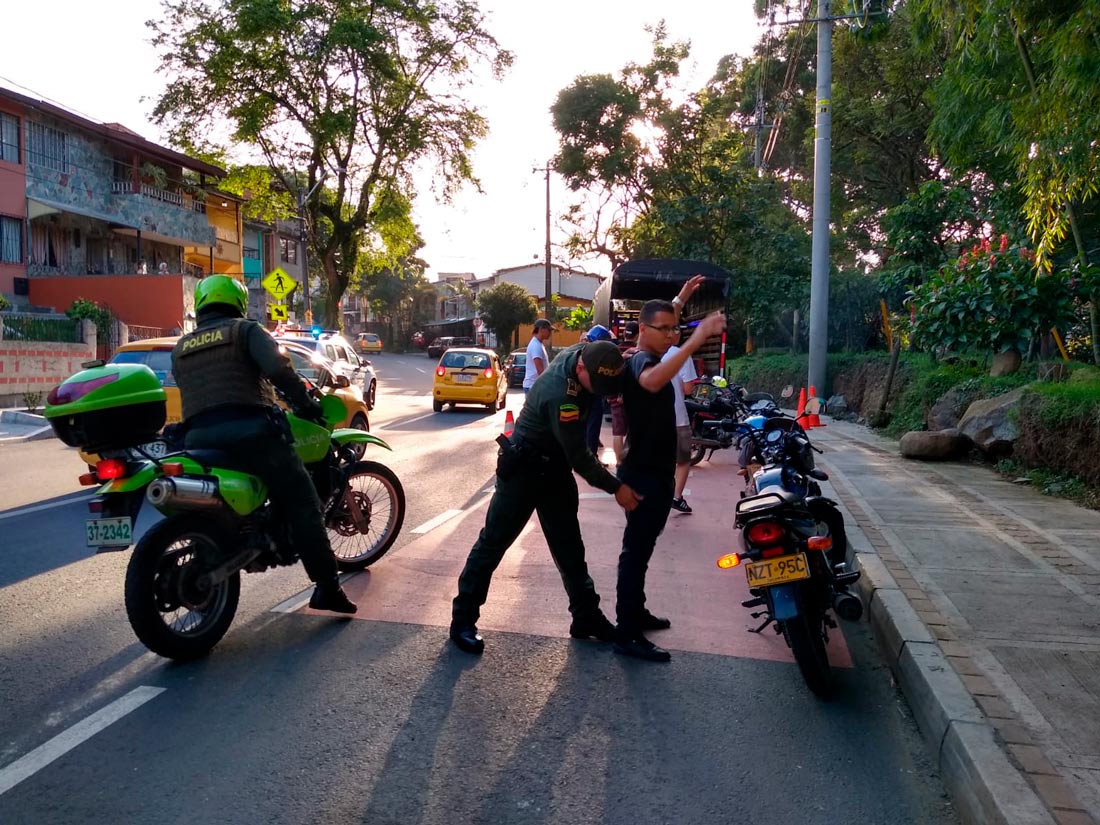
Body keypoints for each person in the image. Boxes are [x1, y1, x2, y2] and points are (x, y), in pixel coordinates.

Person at [170, 275, 357, 615]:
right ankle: (328, 588)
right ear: (237, 302)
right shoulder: (245, 331)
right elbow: (279, 369)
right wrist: (306, 404)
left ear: (201, 305)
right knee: (303, 501)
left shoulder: (182, 347)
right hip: (250, 434)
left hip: (197, 440)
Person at [449, 340, 643, 654]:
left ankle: (586, 617)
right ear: (581, 369)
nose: (600, 393)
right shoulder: (560, 396)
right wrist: (617, 488)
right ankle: (462, 620)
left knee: (570, 548)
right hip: (524, 470)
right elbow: (579, 457)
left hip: (554, 470)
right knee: (493, 543)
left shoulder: (583, 353)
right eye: (598, 385)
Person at [614, 278, 726, 662]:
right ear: (643, 330)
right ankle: (626, 631)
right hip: (642, 475)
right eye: (663, 330)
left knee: (642, 550)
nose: (671, 335)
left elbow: (663, 324)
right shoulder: (642, 361)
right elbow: (651, 379)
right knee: (636, 551)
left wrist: (681, 300)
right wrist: (694, 341)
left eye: (675, 328)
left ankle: (636, 612)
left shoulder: (656, 346)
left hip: (656, 473)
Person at [662, 325, 699, 513]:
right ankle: (676, 497)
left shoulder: (646, 353)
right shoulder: (682, 355)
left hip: (652, 418)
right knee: (683, 460)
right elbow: (688, 389)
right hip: (677, 418)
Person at [610, 320, 639, 464]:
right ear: (638, 335)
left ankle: (619, 463)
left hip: (614, 397)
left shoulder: (615, 351)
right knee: (633, 431)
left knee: (618, 432)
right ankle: (629, 462)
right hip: (632, 397)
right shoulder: (638, 352)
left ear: (623, 333)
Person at [583, 324, 614, 456]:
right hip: (592, 394)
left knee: (588, 426)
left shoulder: (585, 351)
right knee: (593, 426)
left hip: (586, 395)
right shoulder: (594, 355)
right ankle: (591, 457)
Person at [522, 319, 553, 394]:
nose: (550, 333)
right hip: (534, 387)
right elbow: (540, 370)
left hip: (535, 386)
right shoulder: (536, 345)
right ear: (541, 329)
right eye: (549, 330)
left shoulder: (539, 344)